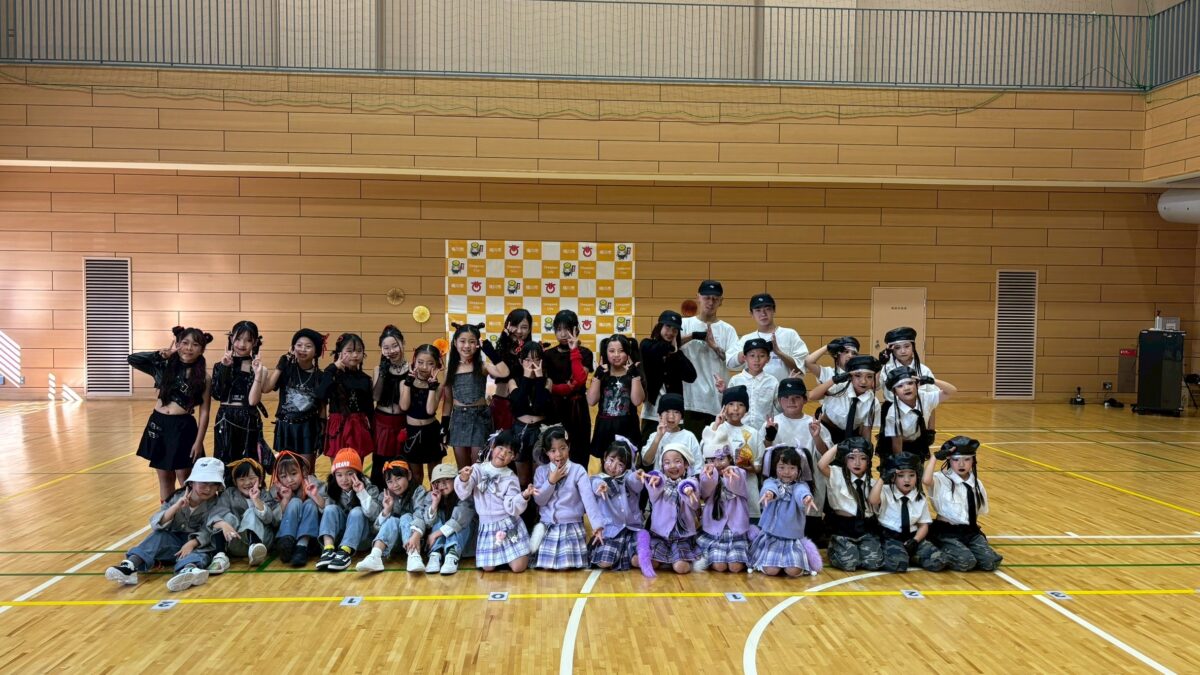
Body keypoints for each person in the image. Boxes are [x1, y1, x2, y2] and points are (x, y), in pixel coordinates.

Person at [104, 457, 226, 592]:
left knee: (201, 554)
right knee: (158, 536)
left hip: (198, 545)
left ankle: (188, 569)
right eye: (204, 483)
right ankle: (130, 566)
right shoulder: (176, 497)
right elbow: (156, 523)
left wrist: (192, 543)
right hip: (172, 544)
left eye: (213, 485)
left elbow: (210, 529)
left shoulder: (218, 503)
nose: (208, 489)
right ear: (191, 483)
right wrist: (176, 507)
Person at [128, 326, 214, 502]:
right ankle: (167, 514)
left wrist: (199, 442)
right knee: (165, 477)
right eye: (185, 343)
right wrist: (160, 355)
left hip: (183, 427)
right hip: (159, 424)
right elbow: (132, 359)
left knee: (186, 478)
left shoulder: (204, 378)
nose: (189, 348)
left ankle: (188, 514)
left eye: (195, 344)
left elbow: (204, 412)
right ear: (177, 344)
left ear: (202, 349)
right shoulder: (164, 366)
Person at [923, 436, 1003, 572]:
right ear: (949, 460)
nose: (961, 464)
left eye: (966, 459)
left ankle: (967, 550)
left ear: (973, 460)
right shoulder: (941, 479)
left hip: (969, 531)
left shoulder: (976, 483)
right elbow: (926, 480)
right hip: (947, 532)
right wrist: (935, 458)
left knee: (990, 563)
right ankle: (935, 549)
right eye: (956, 460)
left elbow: (976, 511)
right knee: (966, 562)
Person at [679, 280, 738, 438]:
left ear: (721, 301)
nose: (710, 302)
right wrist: (693, 336)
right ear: (698, 297)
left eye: (715, 298)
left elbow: (734, 362)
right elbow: (669, 346)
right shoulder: (684, 324)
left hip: (716, 401)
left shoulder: (728, 330)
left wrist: (714, 346)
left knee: (715, 448)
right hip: (689, 400)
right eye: (706, 297)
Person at [726, 293, 809, 382]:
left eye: (767, 309)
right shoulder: (747, 339)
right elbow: (730, 363)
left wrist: (779, 353)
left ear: (774, 310)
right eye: (758, 310)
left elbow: (801, 368)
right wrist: (751, 350)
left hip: (784, 389)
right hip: (756, 389)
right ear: (751, 314)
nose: (763, 314)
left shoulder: (790, 334)